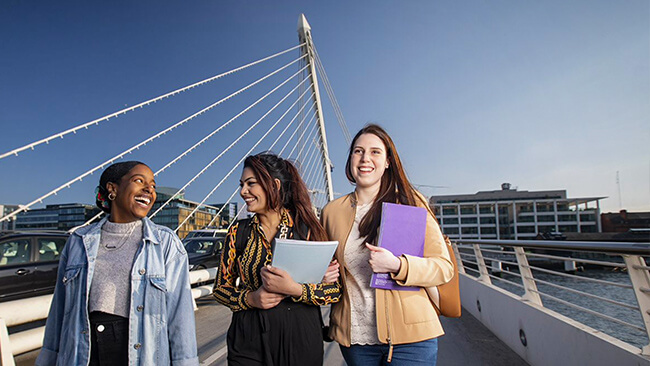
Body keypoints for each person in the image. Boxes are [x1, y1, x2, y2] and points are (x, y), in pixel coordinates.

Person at [36, 161, 198, 366]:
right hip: (83, 354)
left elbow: (180, 318)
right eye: (139, 181)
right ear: (113, 189)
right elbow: (59, 312)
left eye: (153, 186)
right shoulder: (79, 241)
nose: (149, 190)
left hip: (140, 354)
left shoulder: (165, 243)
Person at [321, 124, 454, 365]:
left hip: (412, 339)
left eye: (375, 152)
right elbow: (324, 267)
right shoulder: (331, 212)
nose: (365, 159)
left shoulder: (410, 202)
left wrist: (398, 265)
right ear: (350, 158)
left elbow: (443, 268)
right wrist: (323, 276)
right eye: (358, 151)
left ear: (388, 162)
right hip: (356, 341)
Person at [213, 153, 341, 366]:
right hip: (248, 337)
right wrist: (251, 299)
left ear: (274, 185)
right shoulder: (237, 232)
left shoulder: (307, 230)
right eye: (242, 184)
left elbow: (334, 291)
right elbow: (219, 288)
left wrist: (296, 288)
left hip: (300, 336)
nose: (243, 191)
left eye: (250, 184)